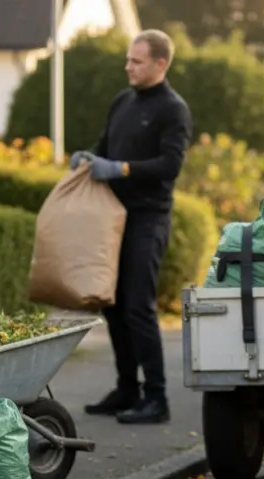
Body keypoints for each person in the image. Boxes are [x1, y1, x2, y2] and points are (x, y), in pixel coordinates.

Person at [70, 29, 193, 425]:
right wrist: (90, 158)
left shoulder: (173, 109)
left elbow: (169, 166)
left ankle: (156, 398)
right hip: (113, 219)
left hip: (148, 218)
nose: (128, 66)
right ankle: (127, 389)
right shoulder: (123, 102)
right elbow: (106, 147)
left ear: (160, 64)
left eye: (136, 61)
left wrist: (120, 169)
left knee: (138, 305)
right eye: (128, 59)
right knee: (114, 304)